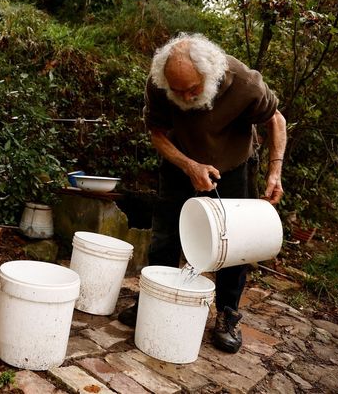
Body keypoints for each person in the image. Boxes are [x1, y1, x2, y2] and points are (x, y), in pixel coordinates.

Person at [118, 33, 287, 354]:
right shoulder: (160, 85)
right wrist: (189, 165)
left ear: (211, 75)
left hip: (235, 164)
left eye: (192, 89)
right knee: (165, 236)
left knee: (235, 242)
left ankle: (227, 314)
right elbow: (156, 132)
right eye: (176, 91)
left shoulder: (243, 83)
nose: (183, 97)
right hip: (182, 161)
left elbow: (275, 120)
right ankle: (153, 300)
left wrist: (275, 172)